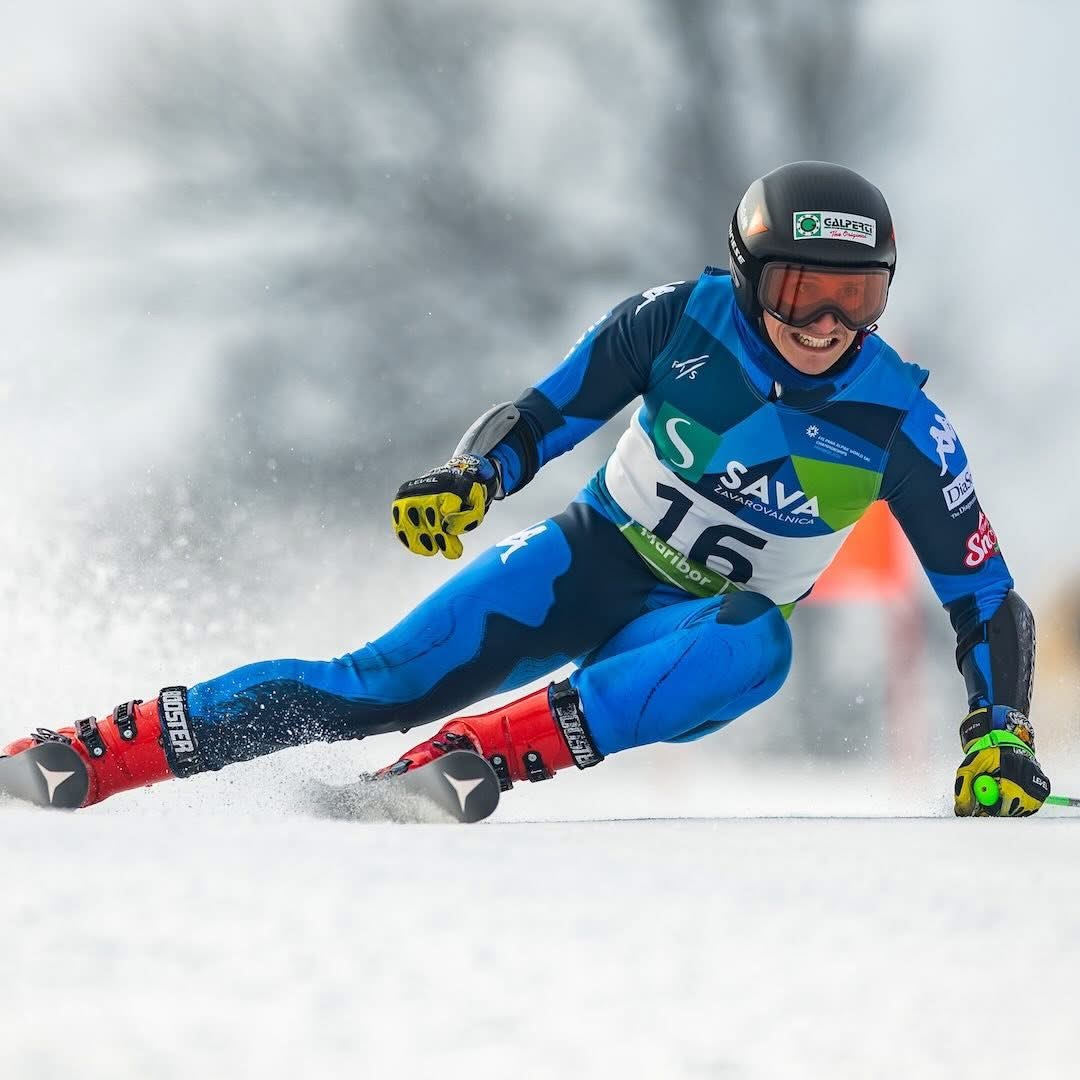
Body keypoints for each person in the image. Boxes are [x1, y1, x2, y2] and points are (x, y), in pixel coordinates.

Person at [1, 161, 1048, 817]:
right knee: (368, 682)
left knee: (761, 643)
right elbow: (550, 413)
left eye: (853, 301)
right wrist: (472, 479)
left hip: (689, 638)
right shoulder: (679, 320)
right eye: (798, 294)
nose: (823, 328)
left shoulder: (902, 421)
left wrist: (999, 734)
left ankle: (477, 759)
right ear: (746, 275)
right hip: (580, 566)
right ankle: (95, 752)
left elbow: (986, 597)